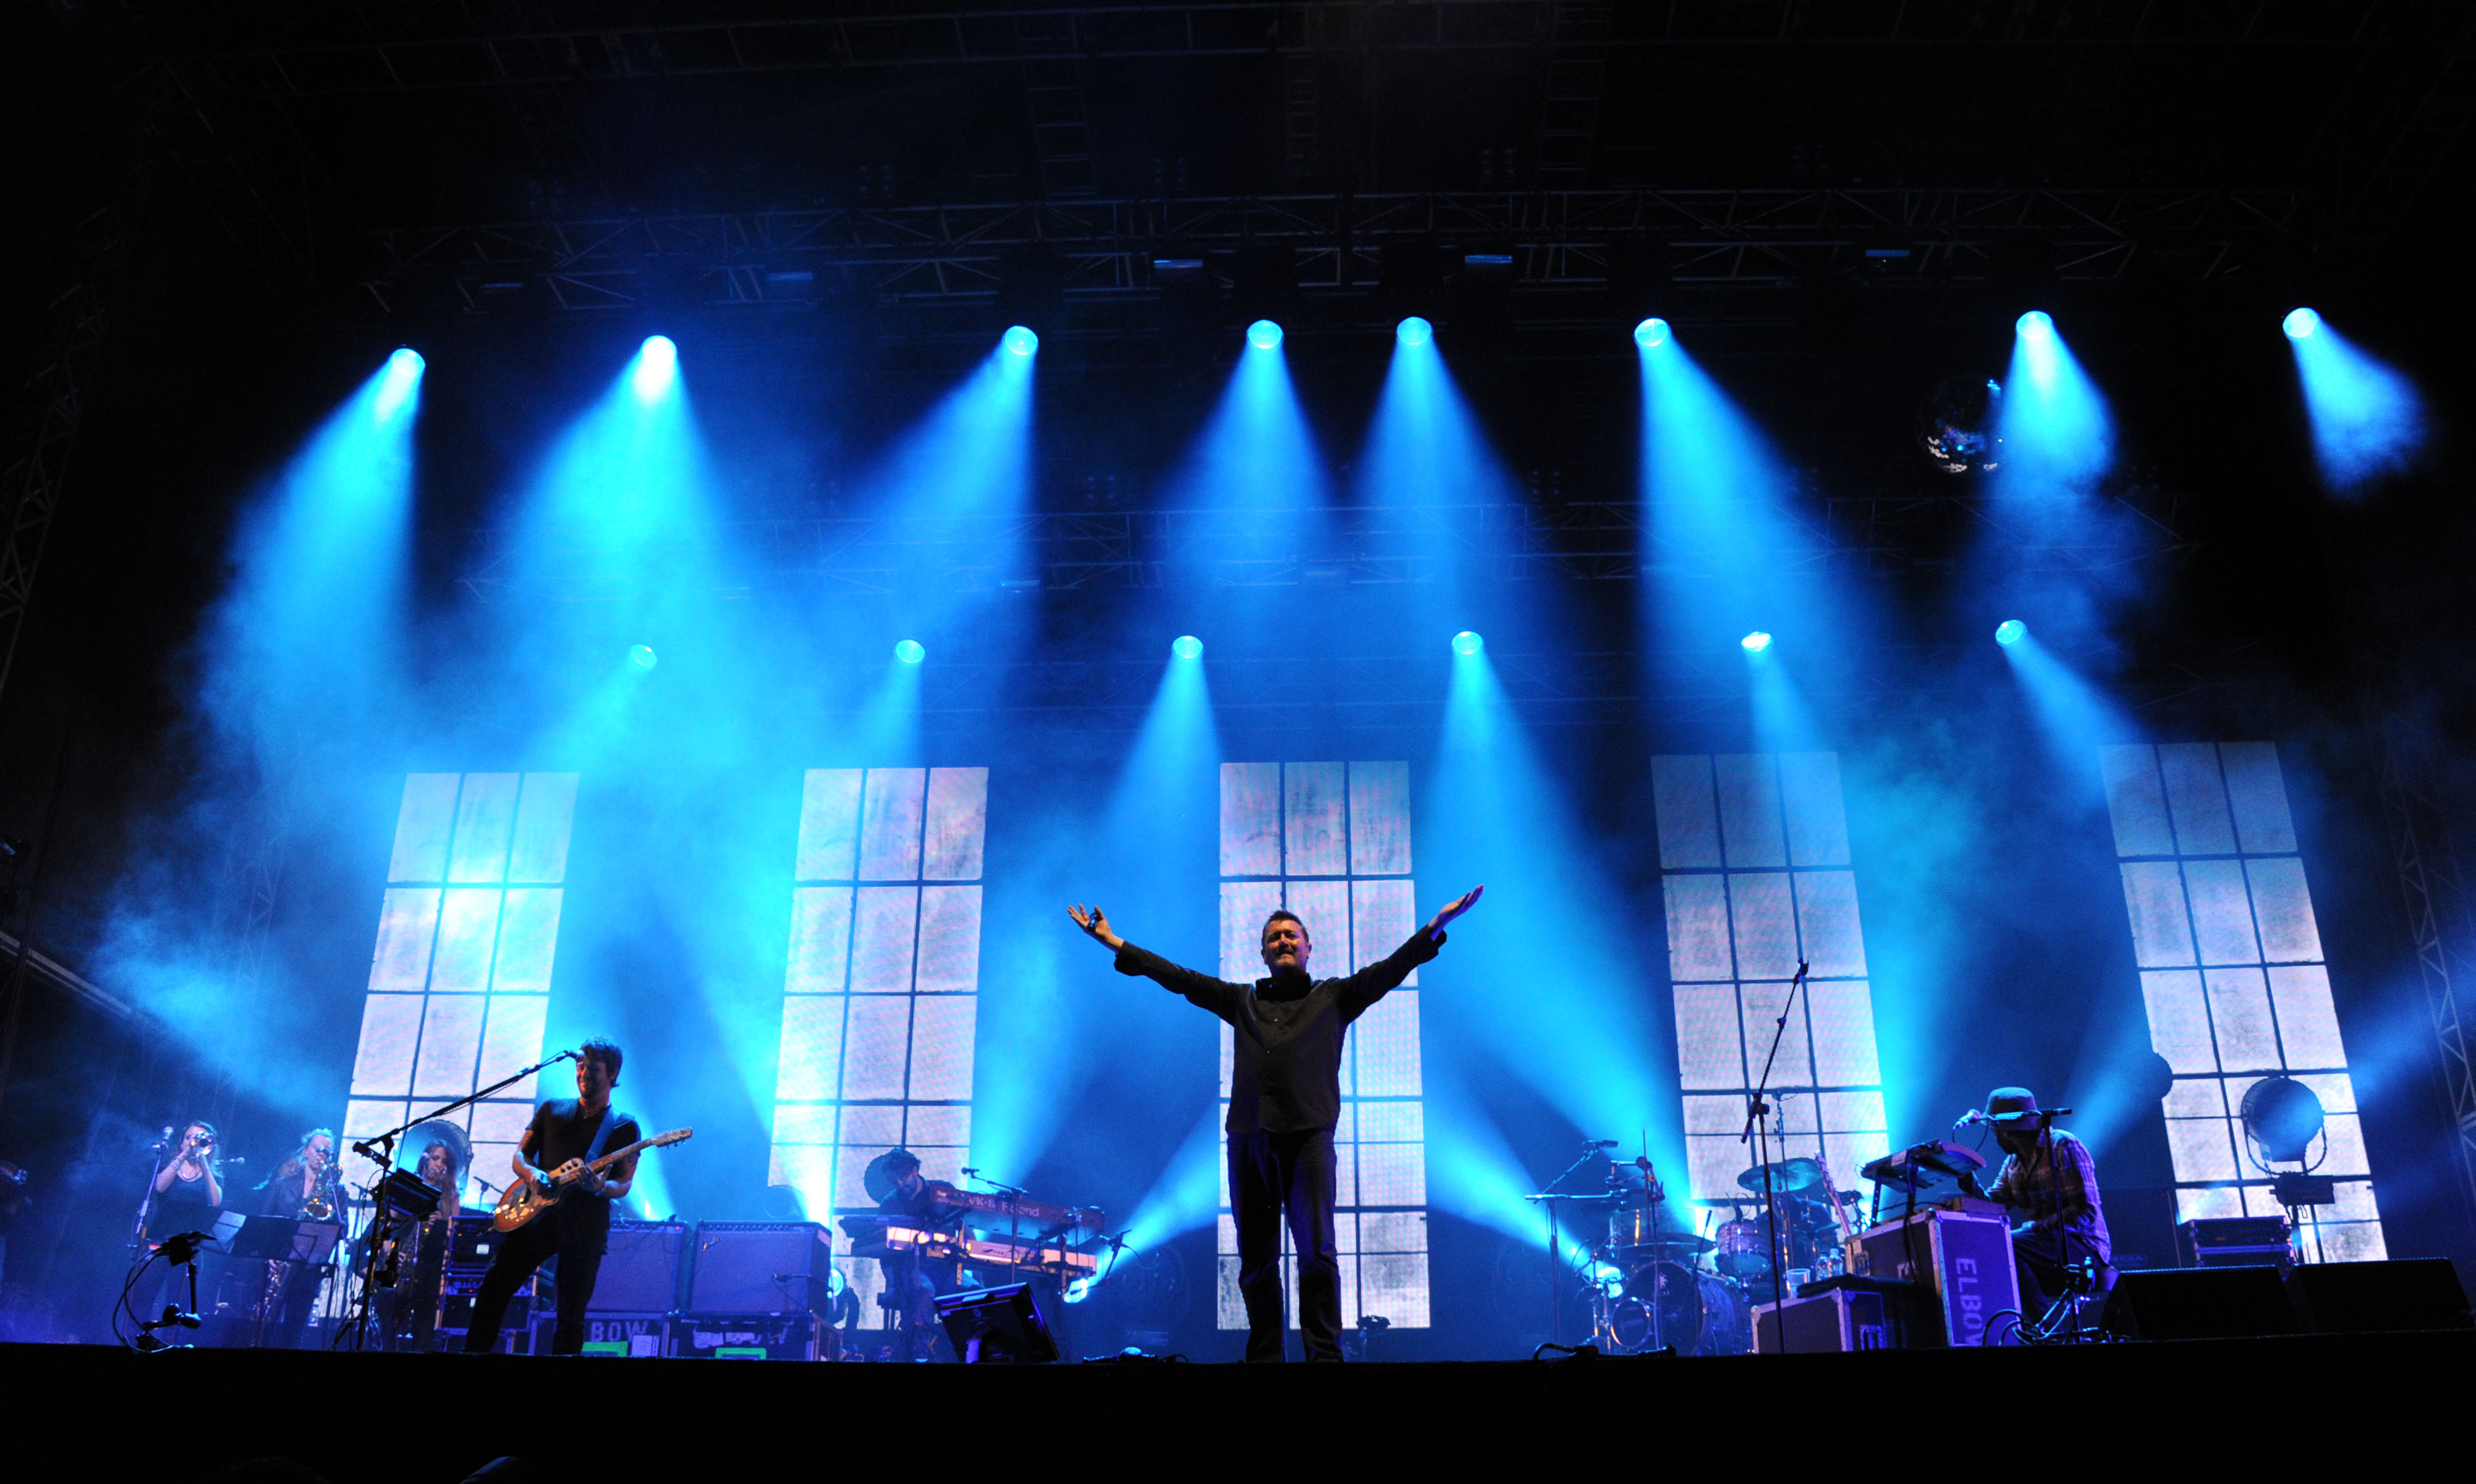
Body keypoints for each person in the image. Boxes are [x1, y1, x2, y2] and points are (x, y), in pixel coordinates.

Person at [1070, 884, 1482, 1362]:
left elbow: (1389, 971)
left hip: (1307, 1137)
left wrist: (1436, 926)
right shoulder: (1241, 1000)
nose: (1284, 942)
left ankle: (1324, 1354)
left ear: (1308, 947)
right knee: (1256, 1260)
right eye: (1274, 938)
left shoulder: (1335, 996)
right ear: (1263, 952)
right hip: (1249, 1138)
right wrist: (1115, 942)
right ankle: (1265, 1356)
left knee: (1317, 1254)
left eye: (1292, 936)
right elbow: (1180, 978)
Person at [460, 1040, 639, 1355]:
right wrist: (532, 1176)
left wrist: (599, 1187)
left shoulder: (624, 1126)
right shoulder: (552, 1109)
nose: (584, 1073)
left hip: (584, 1226)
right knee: (494, 1287)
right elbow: (520, 1156)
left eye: (593, 1068)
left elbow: (623, 1184)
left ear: (613, 1074)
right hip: (536, 1217)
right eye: (580, 1066)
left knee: (570, 1315)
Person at [1973, 1086, 2113, 1321]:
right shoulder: (2013, 1162)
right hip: (2044, 1248)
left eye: (1997, 1131)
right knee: (1994, 1249)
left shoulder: (2062, 1145)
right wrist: (1968, 1181)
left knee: (2006, 1244)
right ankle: (2025, 1328)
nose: (1995, 1137)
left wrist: (2036, 1228)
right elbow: (1995, 1205)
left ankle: (2043, 1331)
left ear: (2009, 1130)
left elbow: (2085, 1212)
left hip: (2083, 1245)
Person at [253, 1127, 341, 1347]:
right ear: (305, 1152)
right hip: (277, 1264)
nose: (322, 1153)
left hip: (308, 1268)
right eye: (318, 1148)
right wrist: (269, 1255)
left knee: (294, 1331)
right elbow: (265, 1223)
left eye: (327, 1151)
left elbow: (343, 1228)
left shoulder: (336, 1191)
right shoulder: (282, 1185)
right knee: (263, 1327)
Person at [871, 1147, 959, 1362]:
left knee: (979, 1292)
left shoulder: (943, 1191)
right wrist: (893, 1284)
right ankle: (919, 1351)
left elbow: (964, 1227)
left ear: (915, 1170)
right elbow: (886, 1253)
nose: (900, 1185)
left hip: (950, 1268)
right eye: (894, 1182)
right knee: (923, 1291)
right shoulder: (890, 1203)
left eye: (903, 1178)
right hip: (913, 1270)